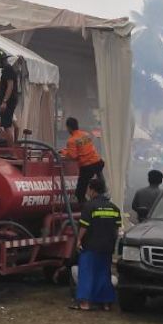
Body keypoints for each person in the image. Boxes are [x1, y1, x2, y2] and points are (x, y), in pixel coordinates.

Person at [71, 178, 121, 311]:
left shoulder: (89, 206)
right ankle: (106, 303)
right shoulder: (114, 208)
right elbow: (116, 230)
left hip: (91, 246)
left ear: (92, 190)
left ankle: (85, 303)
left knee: (86, 273)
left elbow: (84, 227)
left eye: (88, 189)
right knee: (104, 274)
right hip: (107, 247)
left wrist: (79, 240)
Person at [61, 118, 105, 206]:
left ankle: (84, 208)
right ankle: (103, 193)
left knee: (80, 192)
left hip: (87, 166)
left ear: (69, 128)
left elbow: (72, 156)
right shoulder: (86, 135)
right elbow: (83, 148)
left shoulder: (71, 140)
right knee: (100, 183)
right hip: (98, 162)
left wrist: (63, 152)